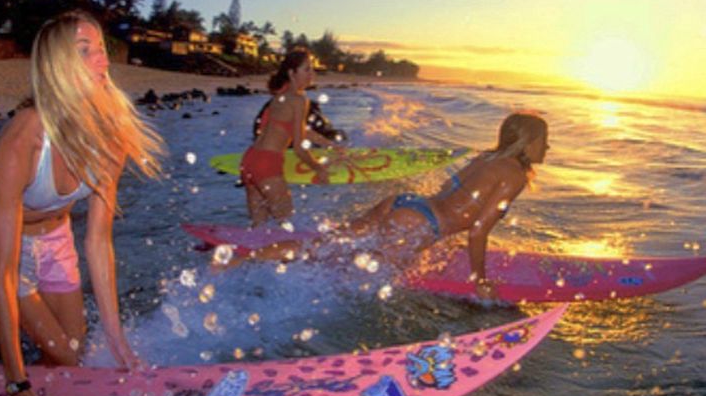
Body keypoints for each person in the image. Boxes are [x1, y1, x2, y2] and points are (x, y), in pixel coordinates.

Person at [0, 10, 164, 396]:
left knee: (73, 352)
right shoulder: (24, 138)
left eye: (100, 48)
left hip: (58, 240)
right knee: (61, 351)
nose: (100, 59)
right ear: (57, 64)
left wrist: (117, 338)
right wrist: (16, 385)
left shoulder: (111, 134)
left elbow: (98, 241)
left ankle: (44, 394)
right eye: (84, 50)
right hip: (10, 246)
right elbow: (3, 275)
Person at [220, 113, 548, 299]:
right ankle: (275, 293)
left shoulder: (485, 158)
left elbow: (451, 191)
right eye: (544, 140)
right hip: (419, 225)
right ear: (529, 142)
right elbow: (478, 230)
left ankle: (243, 259)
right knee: (351, 279)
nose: (547, 147)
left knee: (324, 246)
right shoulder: (514, 175)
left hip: (406, 205)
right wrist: (480, 281)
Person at [240, 48, 332, 226]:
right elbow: (298, 147)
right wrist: (318, 168)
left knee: (259, 227)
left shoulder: (279, 96)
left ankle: (248, 251)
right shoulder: (299, 100)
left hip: (250, 160)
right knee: (287, 224)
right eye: (306, 69)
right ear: (292, 72)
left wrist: (329, 144)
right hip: (267, 163)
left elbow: (292, 130)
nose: (311, 74)